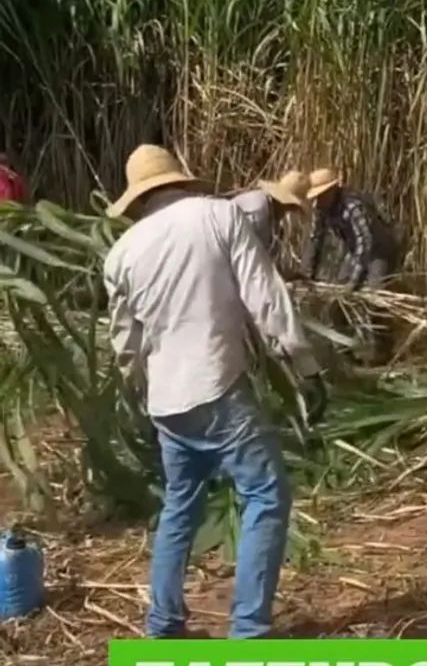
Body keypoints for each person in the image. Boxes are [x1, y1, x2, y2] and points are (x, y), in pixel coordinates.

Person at [102, 144, 327, 641]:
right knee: (266, 494)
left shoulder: (122, 253)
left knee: (180, 505)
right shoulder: (218, 216)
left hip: (167, 401)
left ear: (138, 197)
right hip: (217, 389)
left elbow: (125, 343)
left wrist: (141, 391)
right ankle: (249, 631)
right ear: (178, 180)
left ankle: (163, 626)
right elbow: (265, 297)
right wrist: (304, 366)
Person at [303, 168, 402, 290]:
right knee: (340, 284)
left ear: (331, 191)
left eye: (320, 196)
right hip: (355, 249)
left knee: (373, 292)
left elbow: (365, 242)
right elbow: (315, 239)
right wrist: (307, 276)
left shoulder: (352, 206)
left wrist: (353, 283)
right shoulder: (321, 208)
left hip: (378, 251)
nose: (316, 202)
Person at [229, 170, 310, 272]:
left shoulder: (268, 210)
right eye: (292, 207)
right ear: (287, 204)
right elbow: (248, 257)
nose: (290, 211)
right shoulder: (258, 213)